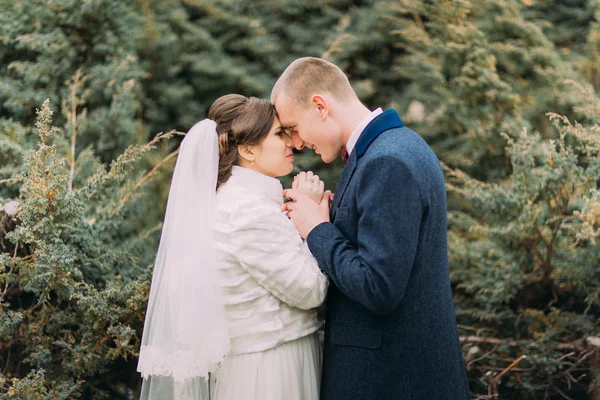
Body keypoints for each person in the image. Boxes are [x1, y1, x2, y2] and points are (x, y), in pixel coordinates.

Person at [274, 57, 471, 399]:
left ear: (320, 106)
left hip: (392, 380)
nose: (296, 142)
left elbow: (378, 286)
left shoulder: (387, 162)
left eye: (293, 127)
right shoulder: (391, 147)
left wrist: (317, 228)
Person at [137, 94, 330, 400]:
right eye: (279, 134)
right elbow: (310, 290)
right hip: (270, 372)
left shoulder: (237, 200)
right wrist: (314, 221)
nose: (291, 142)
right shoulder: (247, 211)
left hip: (262, 360)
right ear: (248, 150)